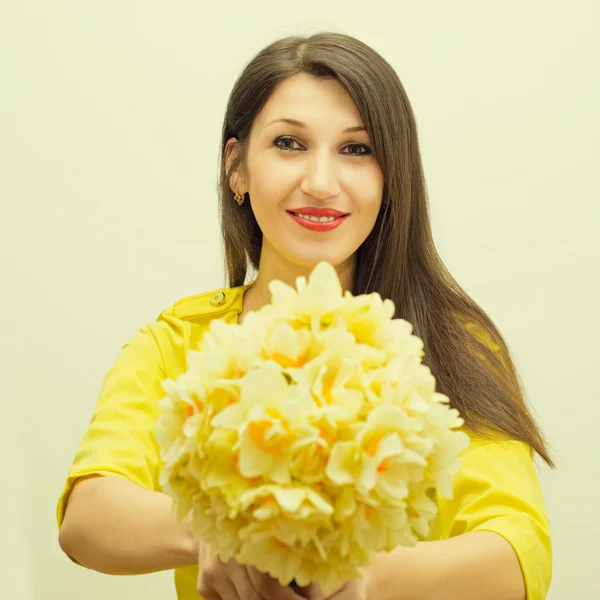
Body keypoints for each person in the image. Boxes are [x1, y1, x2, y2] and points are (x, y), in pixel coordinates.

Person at [56, 31, 553, 600]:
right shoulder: (178, 344)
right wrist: (224, 534)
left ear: (392, 179)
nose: (320, 183)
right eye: (289, 144)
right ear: (236, 168)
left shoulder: (452, 343)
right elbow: (87, 516)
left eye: (357, 149)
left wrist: (359, 577)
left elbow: (519, 551)